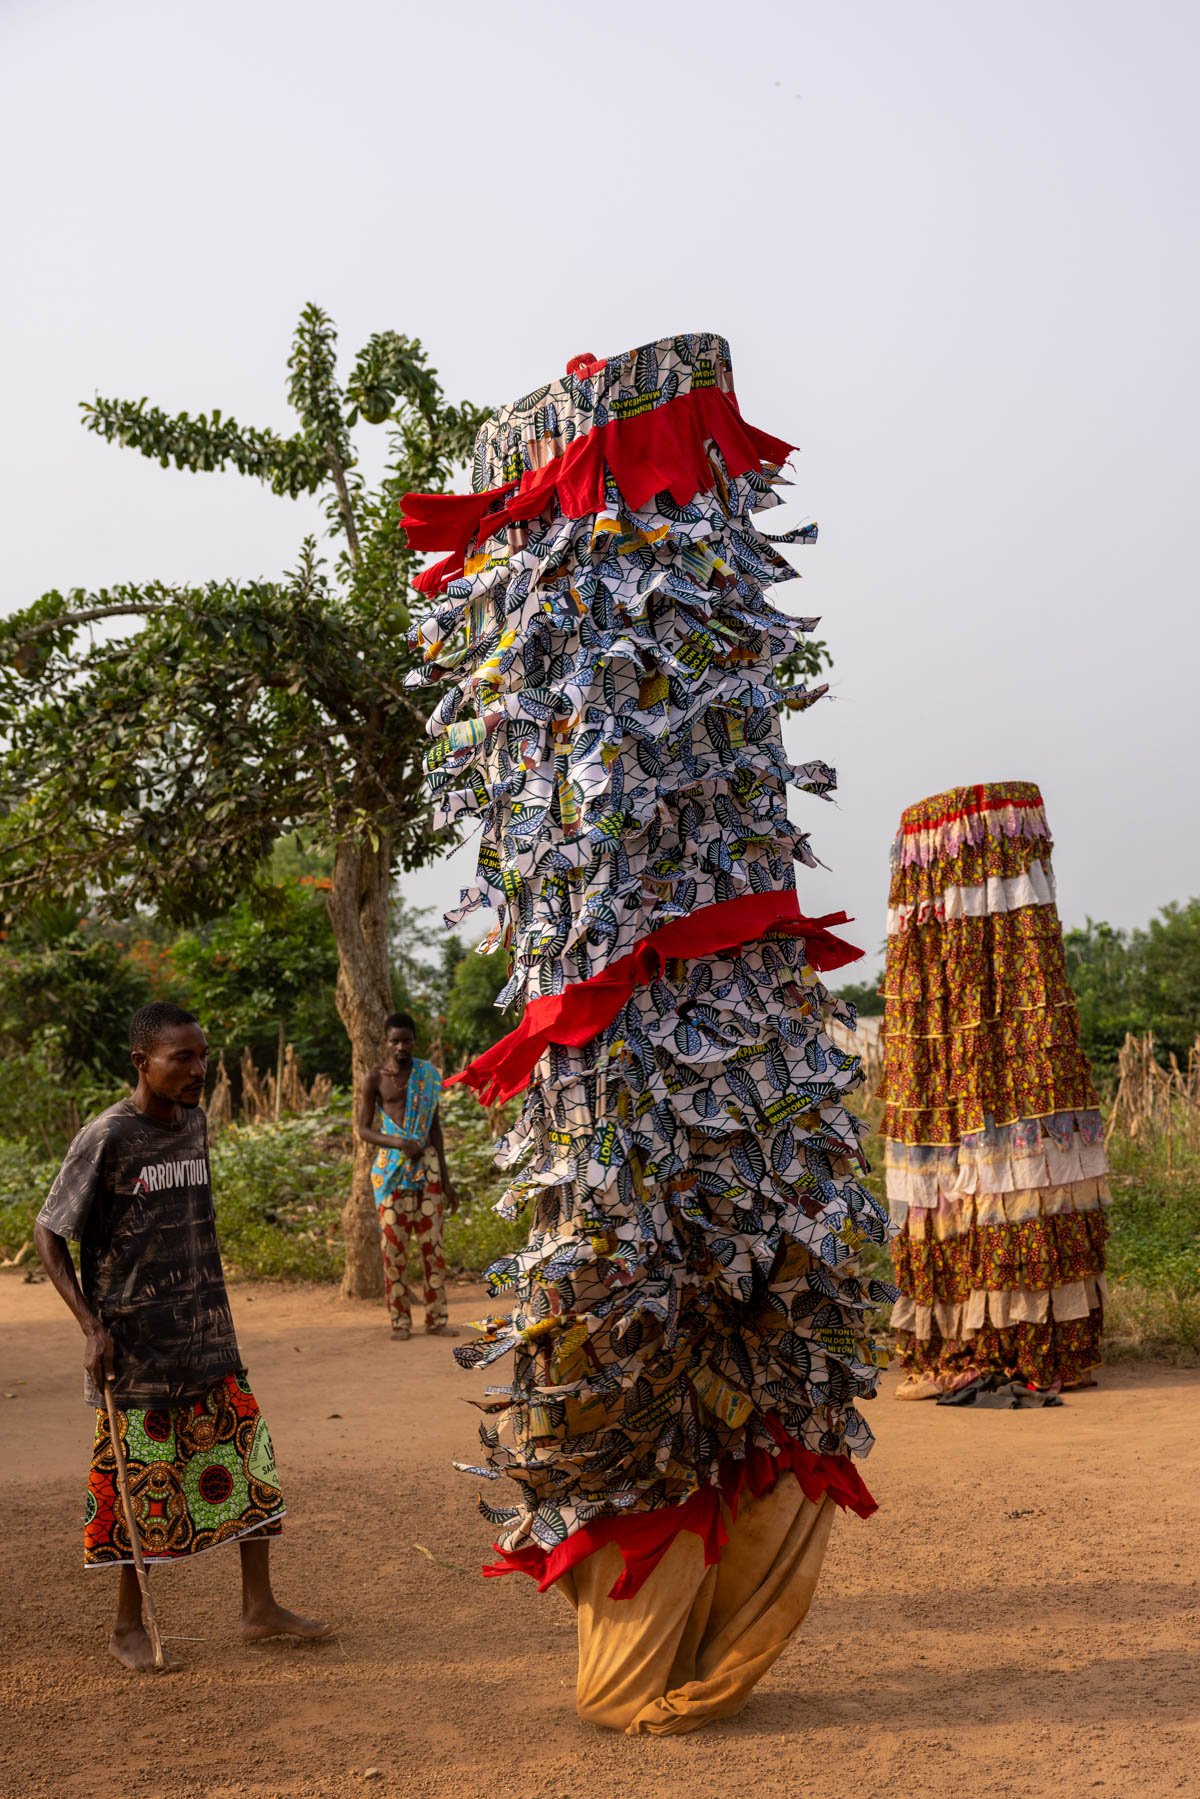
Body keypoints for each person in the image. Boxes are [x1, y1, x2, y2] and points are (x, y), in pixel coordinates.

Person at [34, 1001, 330, 1672]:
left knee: (253, 1463)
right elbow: (48, 1231)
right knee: (143, 1486)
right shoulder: (106, 1135)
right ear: (142, 1062)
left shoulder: (194, 1122)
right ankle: (125, 1627)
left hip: (209, 1336)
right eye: (183, 1058)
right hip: (138, 1351)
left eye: (203, 1056)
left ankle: (259, 1607)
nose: (200, 1069)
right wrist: (90, 1326)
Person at [356, 1012, 458, 1340]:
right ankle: (400, 1322)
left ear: (415, 1041)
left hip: (427, 1170)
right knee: (393, 1250)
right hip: (391, 1172)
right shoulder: (374, 1077)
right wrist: (398, 1141)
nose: (401, 1046)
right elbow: (362, 1129)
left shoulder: (428, 1075)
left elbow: (436, 1129)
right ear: (386, 1043)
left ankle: (437, 1320)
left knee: (433, 1248)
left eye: (407, 1040)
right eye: (395, 1040)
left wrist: (446, 1180)